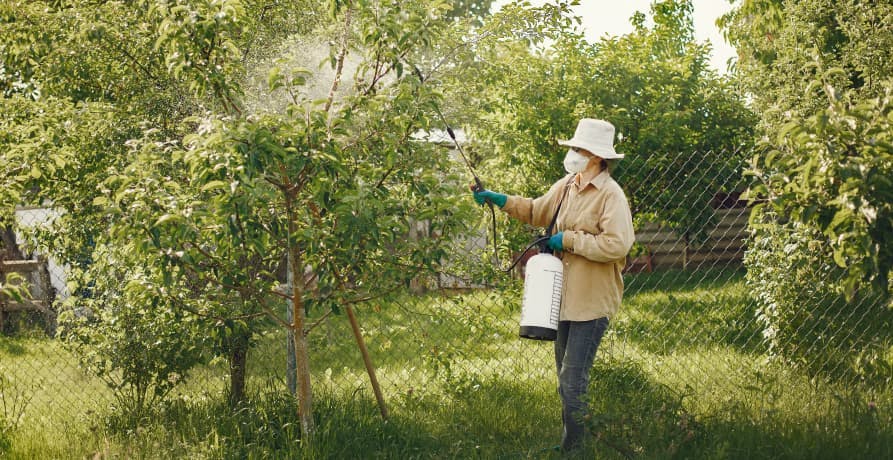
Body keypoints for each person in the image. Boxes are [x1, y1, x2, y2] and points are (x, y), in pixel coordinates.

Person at [472, 118, 635, 452]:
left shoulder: (610, 195)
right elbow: (534, 210)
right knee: (565, 378)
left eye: (578, 149)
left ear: (596, 157)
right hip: (561, 297)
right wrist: (499, 199)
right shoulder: (567, 185)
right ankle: (572, 444)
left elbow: (617, 245)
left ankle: (574, 449)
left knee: (573, 381)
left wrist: (570, 240)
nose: (573, 153)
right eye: (573, 148)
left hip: (592, 301)